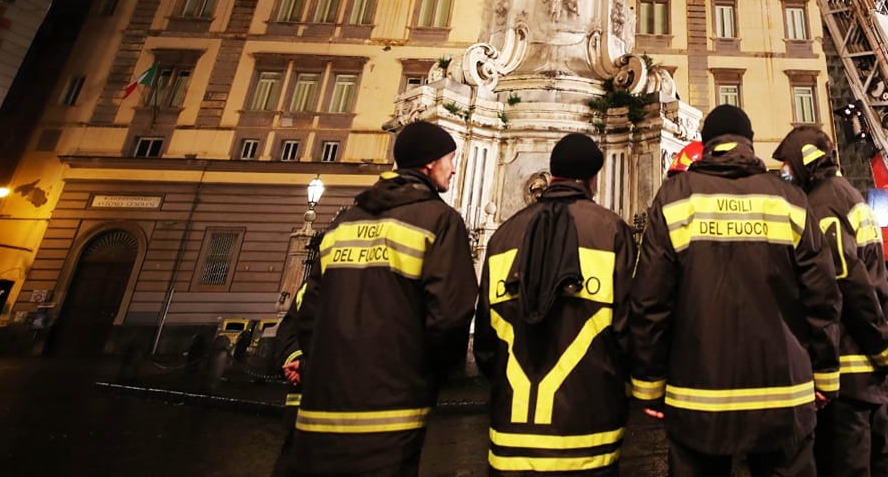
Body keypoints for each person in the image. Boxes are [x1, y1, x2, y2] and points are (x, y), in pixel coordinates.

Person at [628, 104, 842, 477]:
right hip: (785, 396)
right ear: (750, 143)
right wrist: (825, 374)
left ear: (705, 143)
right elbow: (821, 295)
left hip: (696, 399)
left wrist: (649, 382)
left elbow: (650, 301)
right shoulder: (789, 200)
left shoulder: (674, 198)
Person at [289, 122, 478, 477]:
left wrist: (322, 369)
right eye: (450, 159)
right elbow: (451, 314)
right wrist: (429, 375)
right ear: (428, 164)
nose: (454, 168)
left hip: (323, 406)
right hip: (393, 406)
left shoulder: (344, 222)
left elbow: (308, 309)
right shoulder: (438, 219)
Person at [472, 133, 637, 474]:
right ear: (594, 177)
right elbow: (627, 327)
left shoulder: (504, 235)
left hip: (510, 431)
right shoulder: (612, 231)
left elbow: (486, 335)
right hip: (588, 427)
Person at [775, 124, 888, 477]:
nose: (783, 172)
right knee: (883, 461)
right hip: (872, 376)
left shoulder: (821, 207)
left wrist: (885, 347)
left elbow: (848, 285)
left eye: (787, 164)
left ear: (806, 162)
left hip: (847, 376)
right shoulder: (852, 198)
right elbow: (881, 284)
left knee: (847, 466)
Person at [270, 283, 307, 477]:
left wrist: (306, 367)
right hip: (301, 415)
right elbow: (289, 328)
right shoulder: (316, 282)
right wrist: (295, 358)